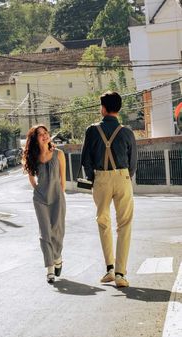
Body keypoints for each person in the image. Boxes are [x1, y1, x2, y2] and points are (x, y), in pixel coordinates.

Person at [81, 91, 137, 287]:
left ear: (103, 108)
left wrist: (92, 177)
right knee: (125, 224)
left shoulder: (92, 130)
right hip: (123, 177)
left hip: (101, 178)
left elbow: (85, 159)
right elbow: (133, 162)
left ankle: (110, 270)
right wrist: (126, 176)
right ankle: (121, 274)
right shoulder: (127, 131)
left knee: (103, 222)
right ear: (118, 108)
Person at [23, 124, 66, 284]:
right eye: (40, 134)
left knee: (57, 231)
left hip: (57, 197)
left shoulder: (59, 154)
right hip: (40, 199)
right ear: (35, 139)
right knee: (45, 233)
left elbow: (62, 180)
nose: (44, 136)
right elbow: (31, 178)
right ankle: (50, 268)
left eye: (45, 133)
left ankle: (58, 257)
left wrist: (60, 194)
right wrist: (38, 190)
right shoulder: (33, 157)